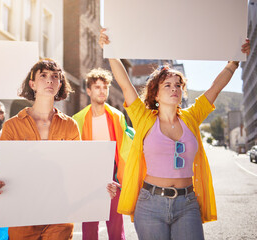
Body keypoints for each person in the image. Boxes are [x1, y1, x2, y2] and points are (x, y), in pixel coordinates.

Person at [99, 28, 250, 240]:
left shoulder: (192, 117)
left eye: (178, 85)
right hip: (150, 204)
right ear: (156, 93)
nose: (174, 89)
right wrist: (111, 51)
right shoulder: (144, 118)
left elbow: (215, 88)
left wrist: (233, 62)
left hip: (187, 204)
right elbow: (125, 84)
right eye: (167, 85)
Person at [0, 58, 80, 240]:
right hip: (22, 215)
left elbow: (77, 169)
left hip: (59, 213)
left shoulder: (71, 126)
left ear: (60, 84)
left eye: (55, 77)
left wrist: (101, 186)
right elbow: (1, 171)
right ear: (32, 84)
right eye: (43, 76)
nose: (50, 80)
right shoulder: (12, 125)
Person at [72, 68, 134, 240]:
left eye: (105, 87)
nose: (102, 91)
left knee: (116, 228)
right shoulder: (78, 119)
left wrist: (120, 179)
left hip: (113, 176)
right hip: (88, 178)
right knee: (89, 228)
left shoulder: (117, 116)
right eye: (97, 87)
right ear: (89, 90)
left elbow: (124, 149)